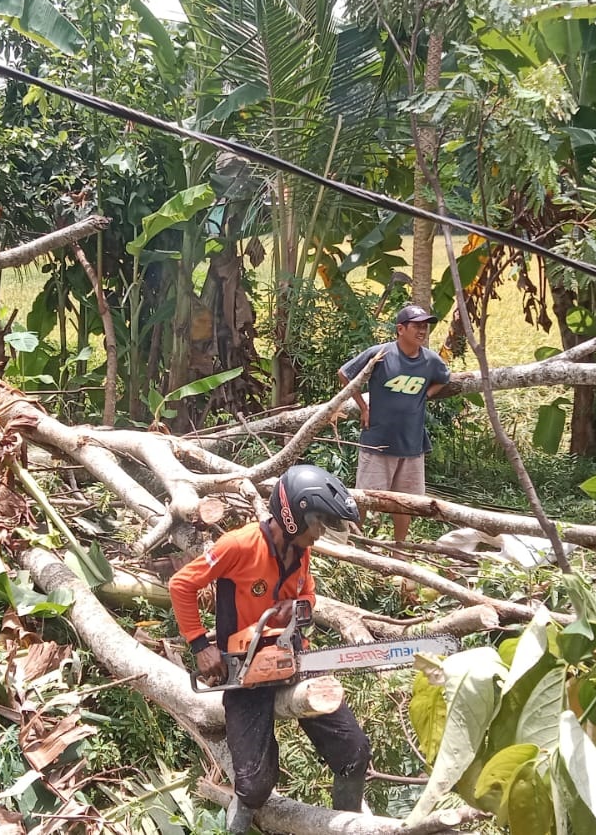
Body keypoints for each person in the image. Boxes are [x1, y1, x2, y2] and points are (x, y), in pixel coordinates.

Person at [169, 464, 372, 833]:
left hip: (292, 658)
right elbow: (182, 584)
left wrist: (298, 608)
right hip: (246, 672)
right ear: (296, 515)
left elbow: (306, 593)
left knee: (353, 752)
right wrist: (199, 644)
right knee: (254, 783)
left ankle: (349, 823)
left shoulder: (301, 550)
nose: (322, 531)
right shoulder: (239, 544)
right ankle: (239, 821)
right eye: (319, 521)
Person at [338, 304, 452, 544]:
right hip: (377, 440)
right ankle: (355, 546)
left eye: (425, 326)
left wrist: (426, 395)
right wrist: (363, 406)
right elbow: (345, 374)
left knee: (406, 502)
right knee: (364, 497)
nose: (422, 331)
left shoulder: (431, 360)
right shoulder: (380, 354)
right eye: (417, 326)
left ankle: (399, 548)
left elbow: (444, 379)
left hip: (411, 443)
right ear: (400, 329)